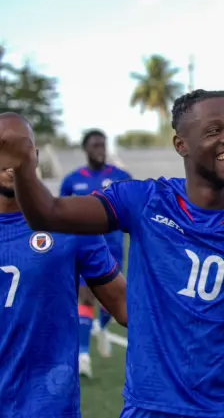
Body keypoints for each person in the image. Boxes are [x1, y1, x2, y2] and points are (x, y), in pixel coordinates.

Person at [0, 90, 224, 418]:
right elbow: (49, 213)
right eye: (215, 129)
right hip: (148, 409)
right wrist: (25, 169)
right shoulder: (144, 201)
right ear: (181, 144)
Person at [0, 113, 127, 418]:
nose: (12, 158)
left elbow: (126, 306)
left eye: (22, 148)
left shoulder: (70, 227)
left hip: (47, 407)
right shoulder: (74, 181)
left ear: (36, 157)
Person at [60, 128, 132, 372]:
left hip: (114, 248)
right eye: (95, 145)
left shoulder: (121, 176)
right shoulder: (72, 180)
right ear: (85, 149)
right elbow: (60, 215)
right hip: (83, 248)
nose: (100, 150)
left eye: (103, 145)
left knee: (111, 300)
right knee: (85, 296)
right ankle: (83, 356)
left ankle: (100, 326)